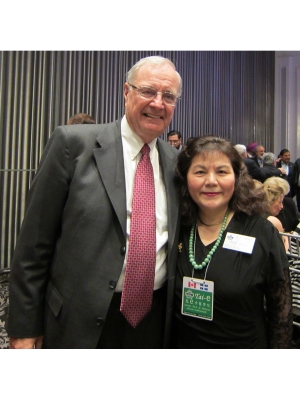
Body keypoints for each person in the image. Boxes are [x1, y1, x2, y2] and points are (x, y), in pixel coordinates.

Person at [7, 55, 182, 349]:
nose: (157, 103)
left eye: (168, 96)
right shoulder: (72, 144)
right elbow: (34, 245)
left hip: (153, 324)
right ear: (127, 92)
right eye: (148, 91)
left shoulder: (175, 162)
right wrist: (24, 327)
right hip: (79, 321)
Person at [172, 135, 293, 348]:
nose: (211, 181)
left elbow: (281, 315)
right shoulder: (177, 228)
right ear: (185, 178)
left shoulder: (262, 231)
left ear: (236, 178)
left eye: (221, 171)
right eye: (200, 172)